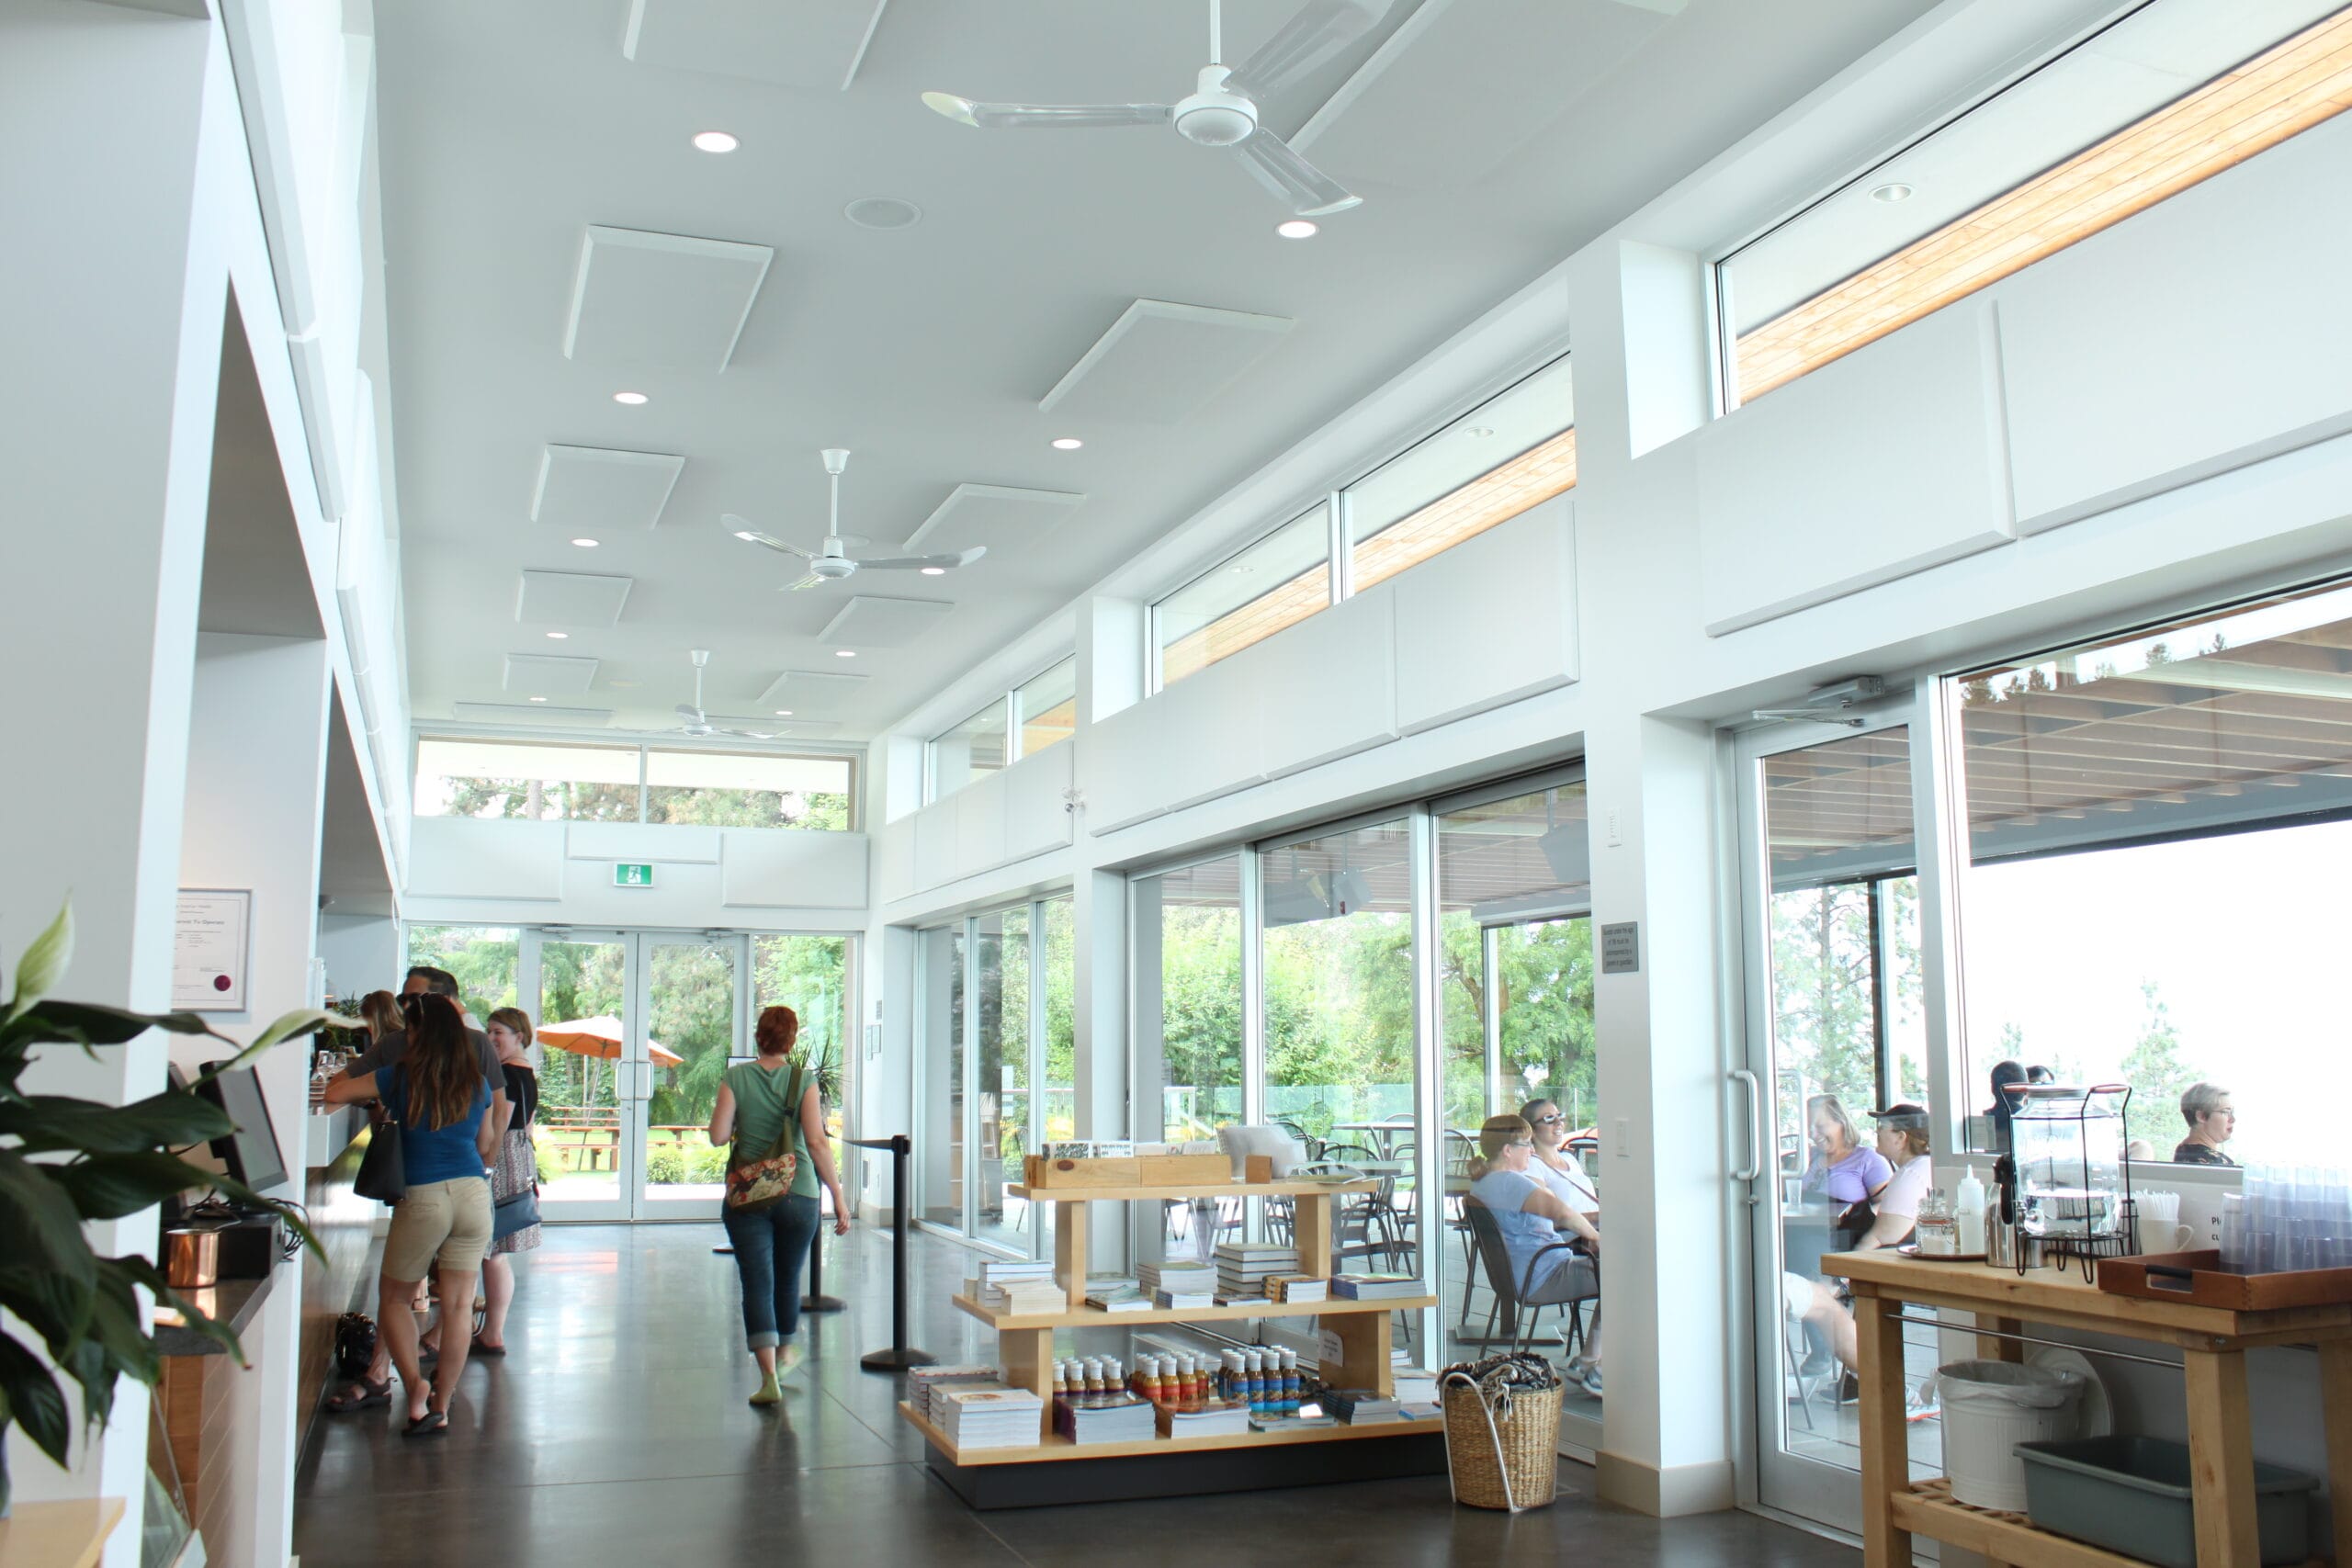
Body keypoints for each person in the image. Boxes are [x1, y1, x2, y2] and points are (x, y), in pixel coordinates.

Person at [322, 994, 498, 1436]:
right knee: (458, 1307)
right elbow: (485, 1141)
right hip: (475, 1195)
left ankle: (416, 1387)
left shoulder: (400, 1075)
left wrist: (367, 1069)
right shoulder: (475, 1082)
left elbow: (334, 1090)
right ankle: (440, 1404)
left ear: (416, 1034)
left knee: (397, 1299)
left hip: (424, 1197)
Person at [707, 1005, 851, 1406]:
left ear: (758, 1036)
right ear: (792, 1039)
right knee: (789, 1278)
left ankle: (768, 1376)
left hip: (749, 1196)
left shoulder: (735, 1078)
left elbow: (718, 1136)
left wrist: (740, 1123)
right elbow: (818, 1142)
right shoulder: (803, 1080)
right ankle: (787, 1350)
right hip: (800, 1192)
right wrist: (837, 1195)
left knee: (757, 1282)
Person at [1467, 1113, 1602, 1398]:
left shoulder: (1484, 1183)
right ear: (1507, 1150)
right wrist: (1596, 1238)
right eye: (1526, 1144)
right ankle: (1593, 1367)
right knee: (1625, 1273)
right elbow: (1562, 1213)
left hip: (1526, 1273)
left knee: (1612, 1270)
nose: (1531, 1150)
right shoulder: (1509, 1182)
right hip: (1544, 1274)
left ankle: (1588, 1362)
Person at [453, 1008, 539, 1356]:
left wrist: (485, 1163)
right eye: (488, 1032)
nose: (491, 1039)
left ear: (520, 1036)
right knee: (496, 1252)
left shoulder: (506, 1073)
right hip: (518, 1156)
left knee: (489, 1250)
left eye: (498, 1032)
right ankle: (492, 1331)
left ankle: (489, 1332)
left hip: (501, 1158)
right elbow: (528, 1123)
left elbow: (501, 1119)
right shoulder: (526, 1071)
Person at [1801, 1094, 1892, 1247]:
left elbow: (1887, 1207)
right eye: (1809, 1128)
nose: (1813, 1134)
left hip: (1842, 1243)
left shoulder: (1868, 1159)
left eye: (1820, 1126)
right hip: (1799, 1240)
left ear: (1842, 1123)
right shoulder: (1806, 1158)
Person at [1518, 1098, 1599, 1218]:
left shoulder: (1569, 1158)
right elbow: (1545, 1215)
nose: (1559, 1123)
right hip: (1571, 1235)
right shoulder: (1530, 1165)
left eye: (1560, 1117)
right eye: (1549, 1119)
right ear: (1532, 1130)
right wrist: (1594, 1217)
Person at [2173, 1082, 2237, 1166]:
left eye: (2232, 1112)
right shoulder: (2215, 1162)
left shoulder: (2183, 1151)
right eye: (2225, 1112)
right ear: (2201, 1116)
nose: (2232, 1119)